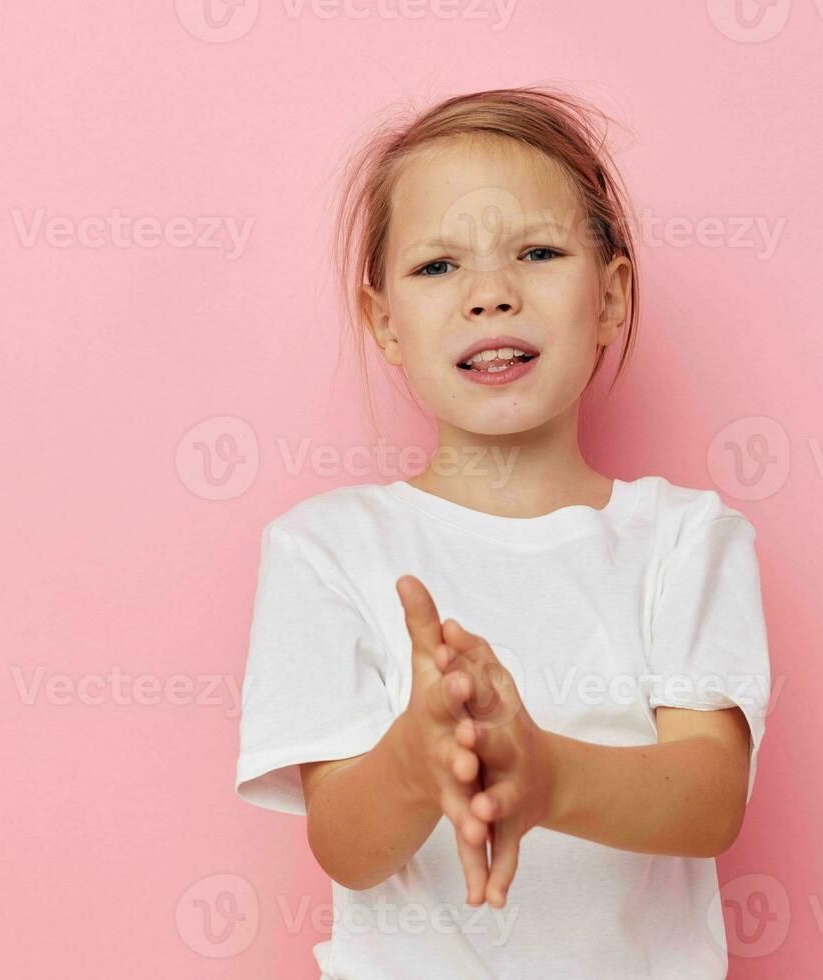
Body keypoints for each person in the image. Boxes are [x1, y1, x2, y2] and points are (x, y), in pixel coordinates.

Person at [234, 85, 772, 979]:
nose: (491, 294)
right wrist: (416, 760)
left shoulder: (685, 539)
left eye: (538, 251)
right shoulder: (324, 550)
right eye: (439, 266)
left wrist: (544, 774)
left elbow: (711, 797)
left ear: (608, 299)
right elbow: (346, 846)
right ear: (384, 323)